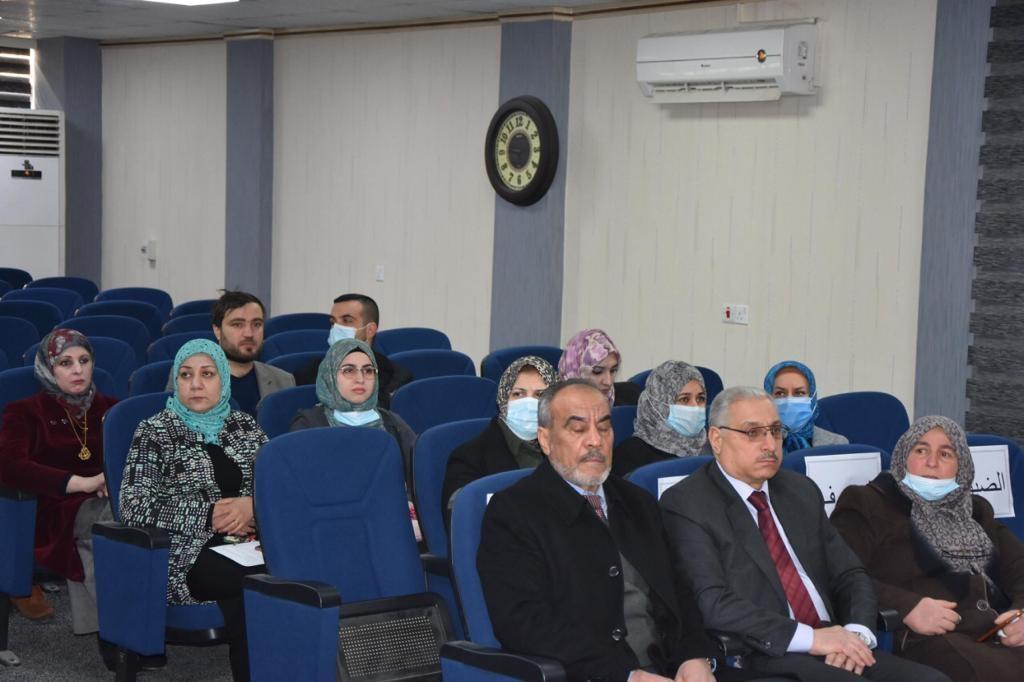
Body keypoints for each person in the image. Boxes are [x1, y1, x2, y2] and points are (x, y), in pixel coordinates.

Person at [659, 386, 950, 682]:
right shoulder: (688, 503)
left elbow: (850, 574)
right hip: (763, 652)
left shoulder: (799, 490)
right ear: (717, 439)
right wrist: (812, 639)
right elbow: (713, 603)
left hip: (836, 642)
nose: (769, 444)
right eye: (753, 433)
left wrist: (857, 633)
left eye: (775, 431)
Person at [478, 379, 757, 682]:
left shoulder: (637, 501)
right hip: (590, 674)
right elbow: (524, 622)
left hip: (669, 668)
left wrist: (695, 655)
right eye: (578, 429)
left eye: (604, 427)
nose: (595, 441)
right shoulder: (514, 512)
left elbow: (679, 591)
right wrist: (625, 675)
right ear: (545, 439)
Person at [831, 416, 1024, 681]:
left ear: (961, 466)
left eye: (945, 454)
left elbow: (1019, 566)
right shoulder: (867, 502)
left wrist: (1021, 614)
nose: (932, 462)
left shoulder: (976, 510)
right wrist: (908, 606)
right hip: (918, 638)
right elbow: (840, 573)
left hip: (991, 631)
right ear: (903, 457)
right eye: (921, 450)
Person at [121, 339, 268, 681]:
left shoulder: (246, 426)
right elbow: (133, 506)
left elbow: (281, 486)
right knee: (259, 582)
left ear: (223, 381)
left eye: (207, 374)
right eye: (186, 375)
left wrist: (253, 506)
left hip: (251, 540)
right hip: (187, 551)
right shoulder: (155, 431)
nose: (196, 384)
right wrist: (207, 514)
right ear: (176, 381)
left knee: (287, 570)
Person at [0, 329, 117, 632]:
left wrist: (114, 480)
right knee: (110, 522)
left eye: (84, 360)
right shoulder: (25, 412)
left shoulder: (112, 409)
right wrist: (79, 482)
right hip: (47, 508)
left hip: (106, 500)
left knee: (119, 519)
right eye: (66, 363)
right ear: (48, 368)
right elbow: (9, 467)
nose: (78, 370)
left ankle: (115, 627)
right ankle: (119, 625)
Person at [290, 338, 416, 487]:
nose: (360, 379)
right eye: (349, 370)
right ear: (330, 376)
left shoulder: (393, 423)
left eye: (368, 371)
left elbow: (416, 479)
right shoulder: (308, 425)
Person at [442, 355, 557, 517]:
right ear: (503, 400)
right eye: (518, 394)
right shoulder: (468, 457)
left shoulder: (568, 449)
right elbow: (462, 518)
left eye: (540, 395)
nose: (529, 403)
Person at [164, 290, 294, 417]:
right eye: (237, 325)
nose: (249, 333)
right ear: (217, 331)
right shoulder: (186, 377)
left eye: (256, 324)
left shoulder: (283, 380)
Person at [293, 293, 412, 408]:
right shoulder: (307, 374)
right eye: (333, 322)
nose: (336, 328)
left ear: (370, 330)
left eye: (347, 320)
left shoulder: (395, 377)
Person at [613, 360, 710, 477]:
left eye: (700, 399)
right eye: (684, 399)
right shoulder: (631, 455)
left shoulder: (714, 447)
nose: (695, 407)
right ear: (658, 404)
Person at [763, 360, 847, 453]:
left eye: (799, 393)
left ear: (812, 398)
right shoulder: (755, 442)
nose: (789, 401)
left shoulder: (837, 444)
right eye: (780, 393)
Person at [558, 328, 640, 406]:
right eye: (598, 372)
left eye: (613, 370)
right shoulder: (557, 409)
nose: (608, 382)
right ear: (575, 372)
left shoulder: (631, 396)